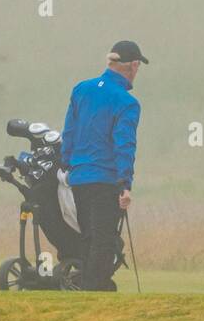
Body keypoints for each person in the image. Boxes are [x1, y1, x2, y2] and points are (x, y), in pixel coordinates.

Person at [61, 40, 148, 291]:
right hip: (105, 179)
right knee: (104, 240)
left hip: (78, 178)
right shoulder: (127, 102)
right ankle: (94, 291)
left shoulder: (81, 90)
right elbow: (124, 145)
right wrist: (125, 184)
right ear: (132, 65)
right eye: (138, 66)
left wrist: (68, 164)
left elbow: (70, 132)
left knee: (88, 236)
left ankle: (90, 288)